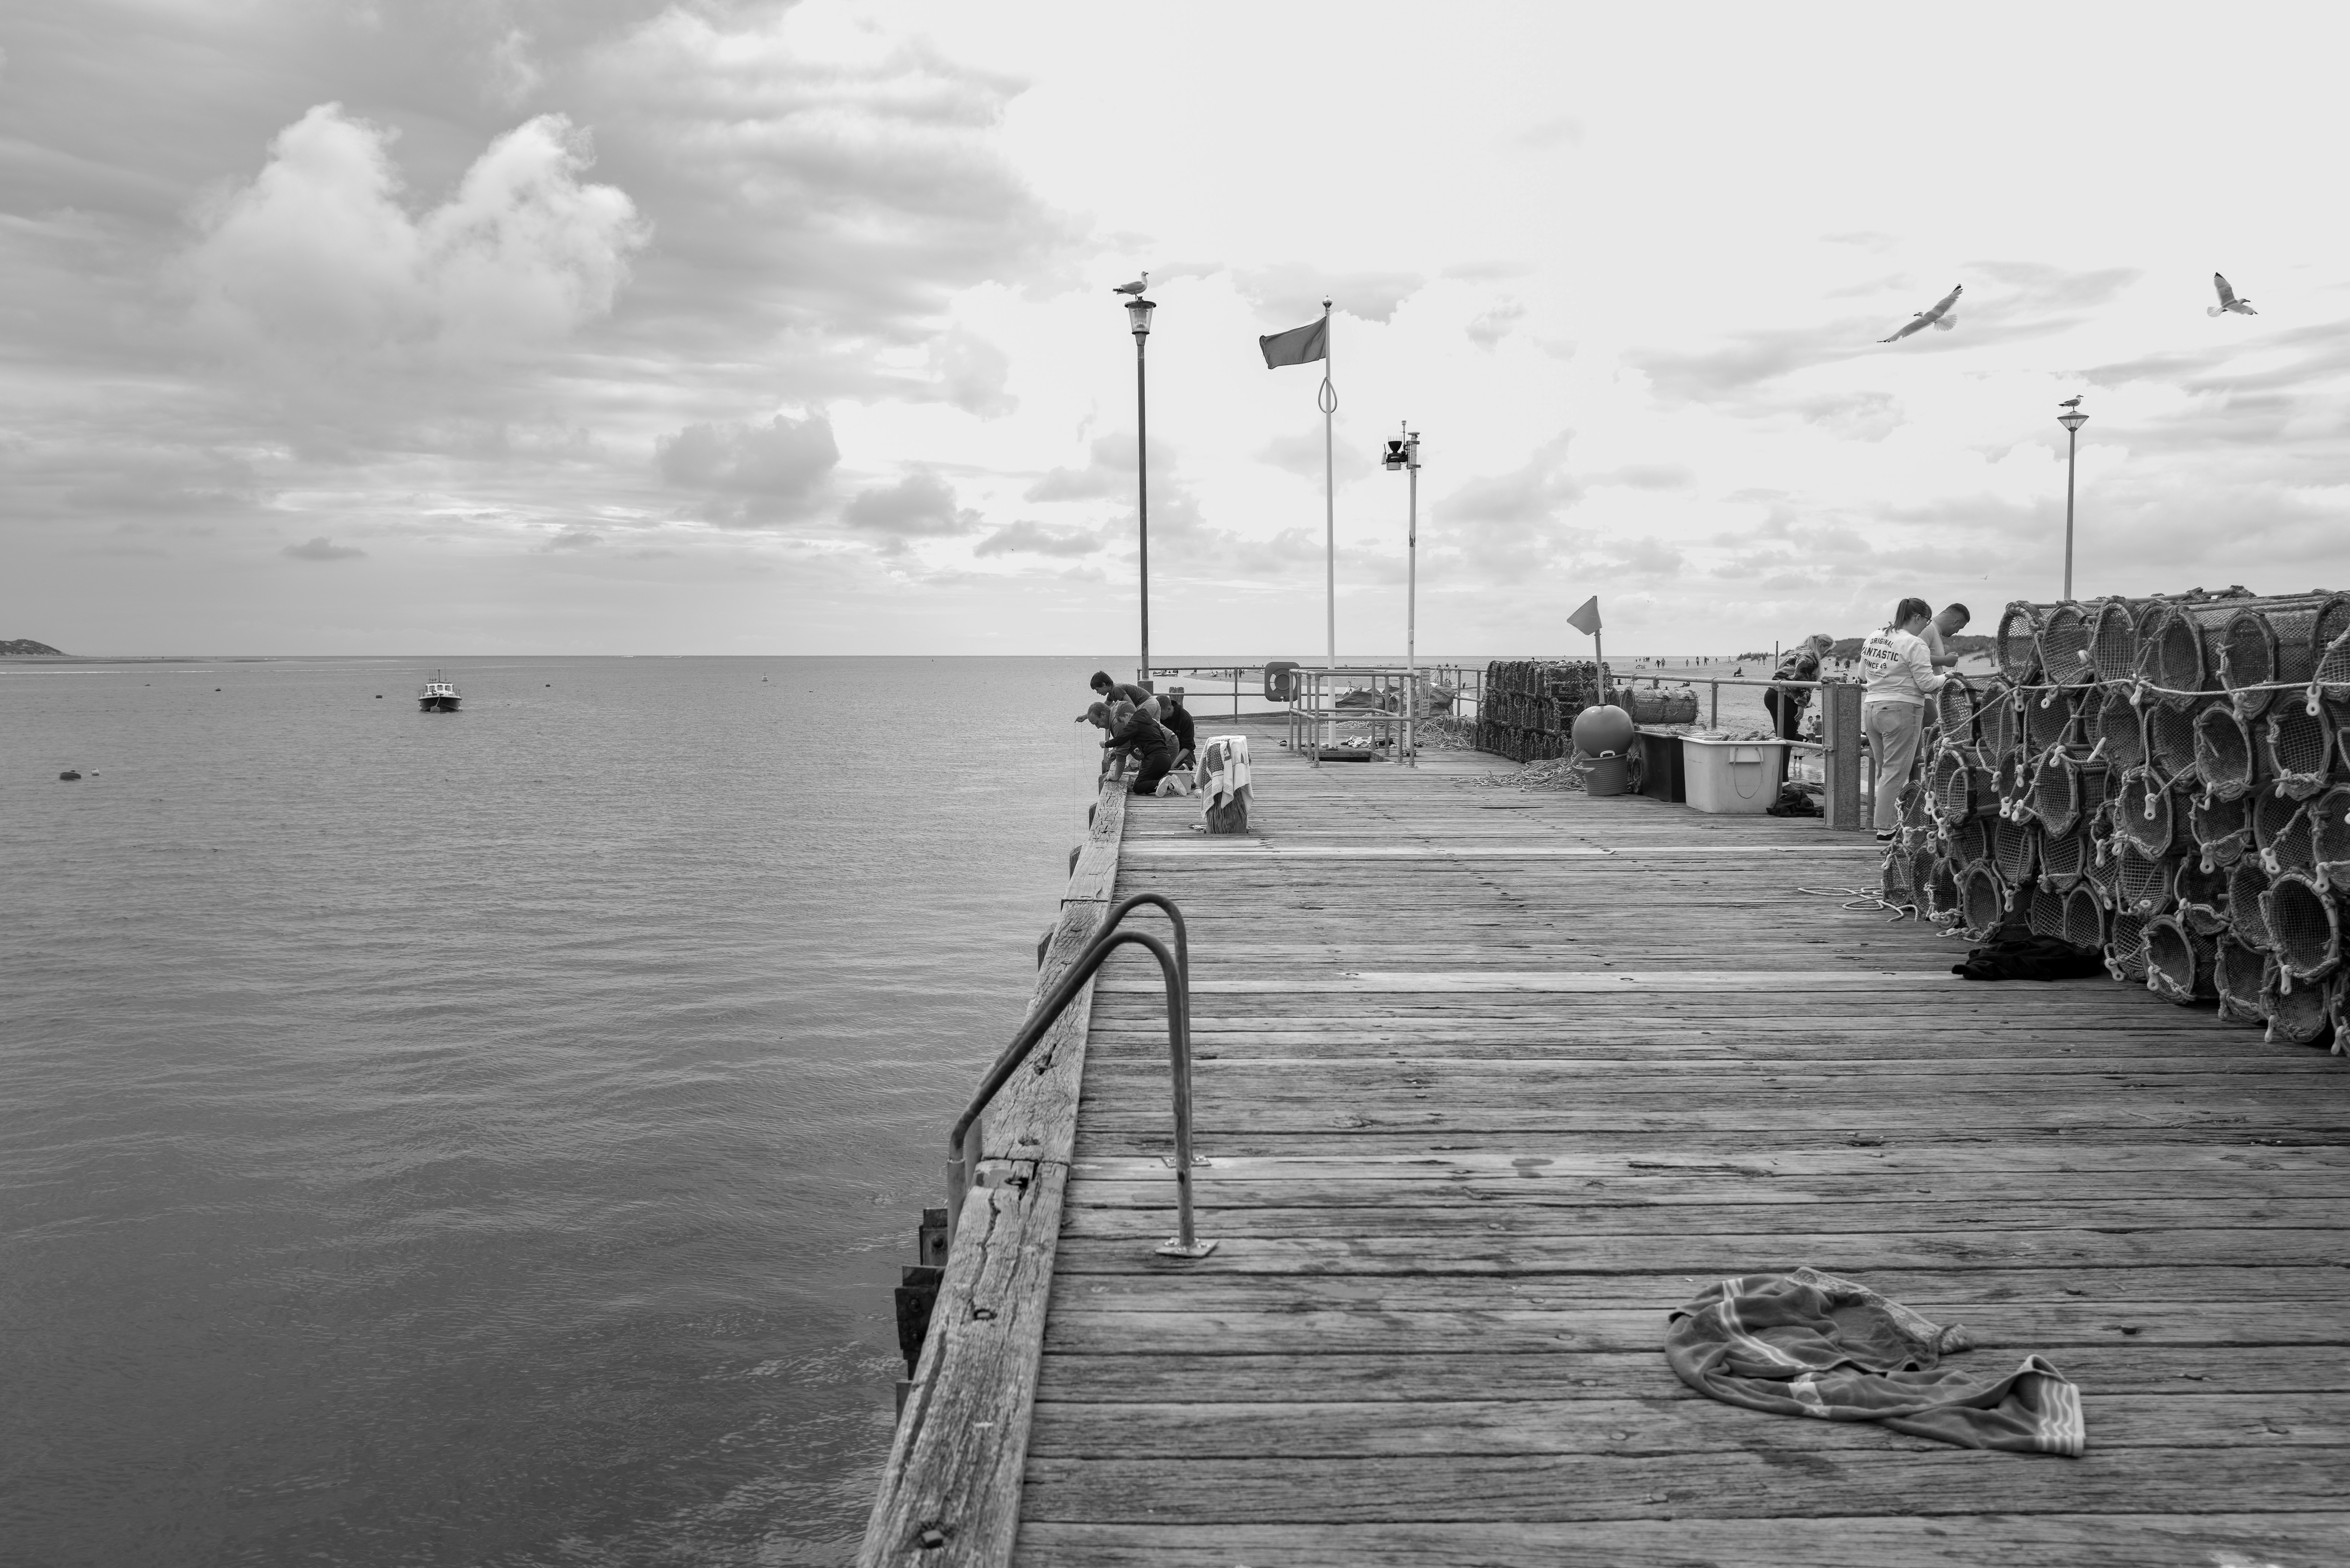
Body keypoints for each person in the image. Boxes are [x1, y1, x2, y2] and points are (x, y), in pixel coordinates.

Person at [1859, 597, 1948, 839]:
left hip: (1871, 708)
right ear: (1918, 618)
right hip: (1901, 709)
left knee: (1885, 770)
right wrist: (1949, 678)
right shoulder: (1914, 643)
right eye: (1926, 621)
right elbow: (1928, 684)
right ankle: (1886, 828)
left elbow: (1862, 674)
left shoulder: (1874, 636)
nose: (1926, 627)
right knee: (1895, 771)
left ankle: (1884, 821)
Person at [1090, 699, 1180, 796]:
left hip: (1156, 759)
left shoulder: (1133, 723)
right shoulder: (1149, 719)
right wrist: (1144, 748)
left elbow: (1121, 740)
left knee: (1137, 787)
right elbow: (1161, 737)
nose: (1125, 725)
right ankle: (1168, 784)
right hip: (1166, 759)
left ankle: (1167, 783)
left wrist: (1106, 744)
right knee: (1146, 782)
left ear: (1127, 715)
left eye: (1124, 721)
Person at [1763, 634, 1835, 741]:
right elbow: (1799, 680)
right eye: (1828, 650)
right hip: (1786, 697)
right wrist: (1801, 706)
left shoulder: (1800, 652)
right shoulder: (1809, 657)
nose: (1828, 654)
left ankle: (1779, 757)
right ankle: (1782, 758)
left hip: (1774, 694)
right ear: (1821, 647)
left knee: (1782, 735)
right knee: (1788, 739)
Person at [1156, 686, 1197, 769]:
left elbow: (1187, 747)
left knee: (1182, 771)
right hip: (1165, 749)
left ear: (1169, 709)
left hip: (1184, 751)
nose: (1159, 716)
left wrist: (1173, 764)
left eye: (1161, 713)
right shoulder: (1159, 716)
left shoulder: (1186, 719)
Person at [1921, 603, 1971, 670]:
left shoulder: (1935, 631)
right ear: (1956, 622)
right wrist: (1945, 660)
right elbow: (1914, 658)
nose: (1957, 632)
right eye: (1960, 628)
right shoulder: (1927, 628)